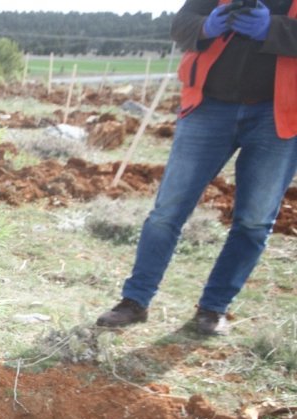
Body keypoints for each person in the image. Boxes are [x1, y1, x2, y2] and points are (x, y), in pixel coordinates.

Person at [96, 0, 297, 336]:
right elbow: (182, 22)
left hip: (277, 115)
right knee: (167, 211)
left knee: (254, 221)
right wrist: (206, 27)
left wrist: (273, 30)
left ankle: (213, 308)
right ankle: (135, 300)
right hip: (209, 108)